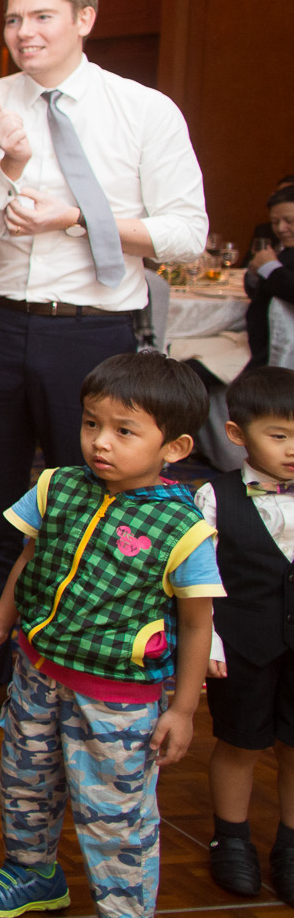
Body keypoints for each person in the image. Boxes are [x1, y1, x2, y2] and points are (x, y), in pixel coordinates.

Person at [0, 0, 209, 728]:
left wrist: (78, 217)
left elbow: (187, 233)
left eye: (42, 16)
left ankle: (82, 671)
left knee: (96, 508)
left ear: (84, 18)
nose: (25, 32)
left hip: (94, 329)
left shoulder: (144, 110)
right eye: (14, 19)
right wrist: (8, 168)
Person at [0, 352, 219, 918]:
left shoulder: (185, 529)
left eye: (124, 431)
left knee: (114, 814)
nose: (100, 442)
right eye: (91, 423)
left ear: (174, 448)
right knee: (26, 782)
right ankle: (32, 873)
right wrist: (0, 624)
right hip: (37, 674)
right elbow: (29, 560)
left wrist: (183, 710)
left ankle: (125, 909)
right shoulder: (55, 487)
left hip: (117, 701)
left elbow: (198, 623)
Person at [197, 366, 294, 902]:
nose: (292, 449)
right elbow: (200, 583)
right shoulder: (215, 497)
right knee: (239, 742)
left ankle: (291, 844)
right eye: (278, 435)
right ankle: (231, 838)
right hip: (242, 647)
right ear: (237, 433)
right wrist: (209, 643)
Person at [244, 186, 294, 374]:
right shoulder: (285, 250)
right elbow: (263, 290)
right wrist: (255, 274)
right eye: (275, 222)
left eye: (289, 221)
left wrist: (269, 267)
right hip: (262, 346)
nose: (281, 229)